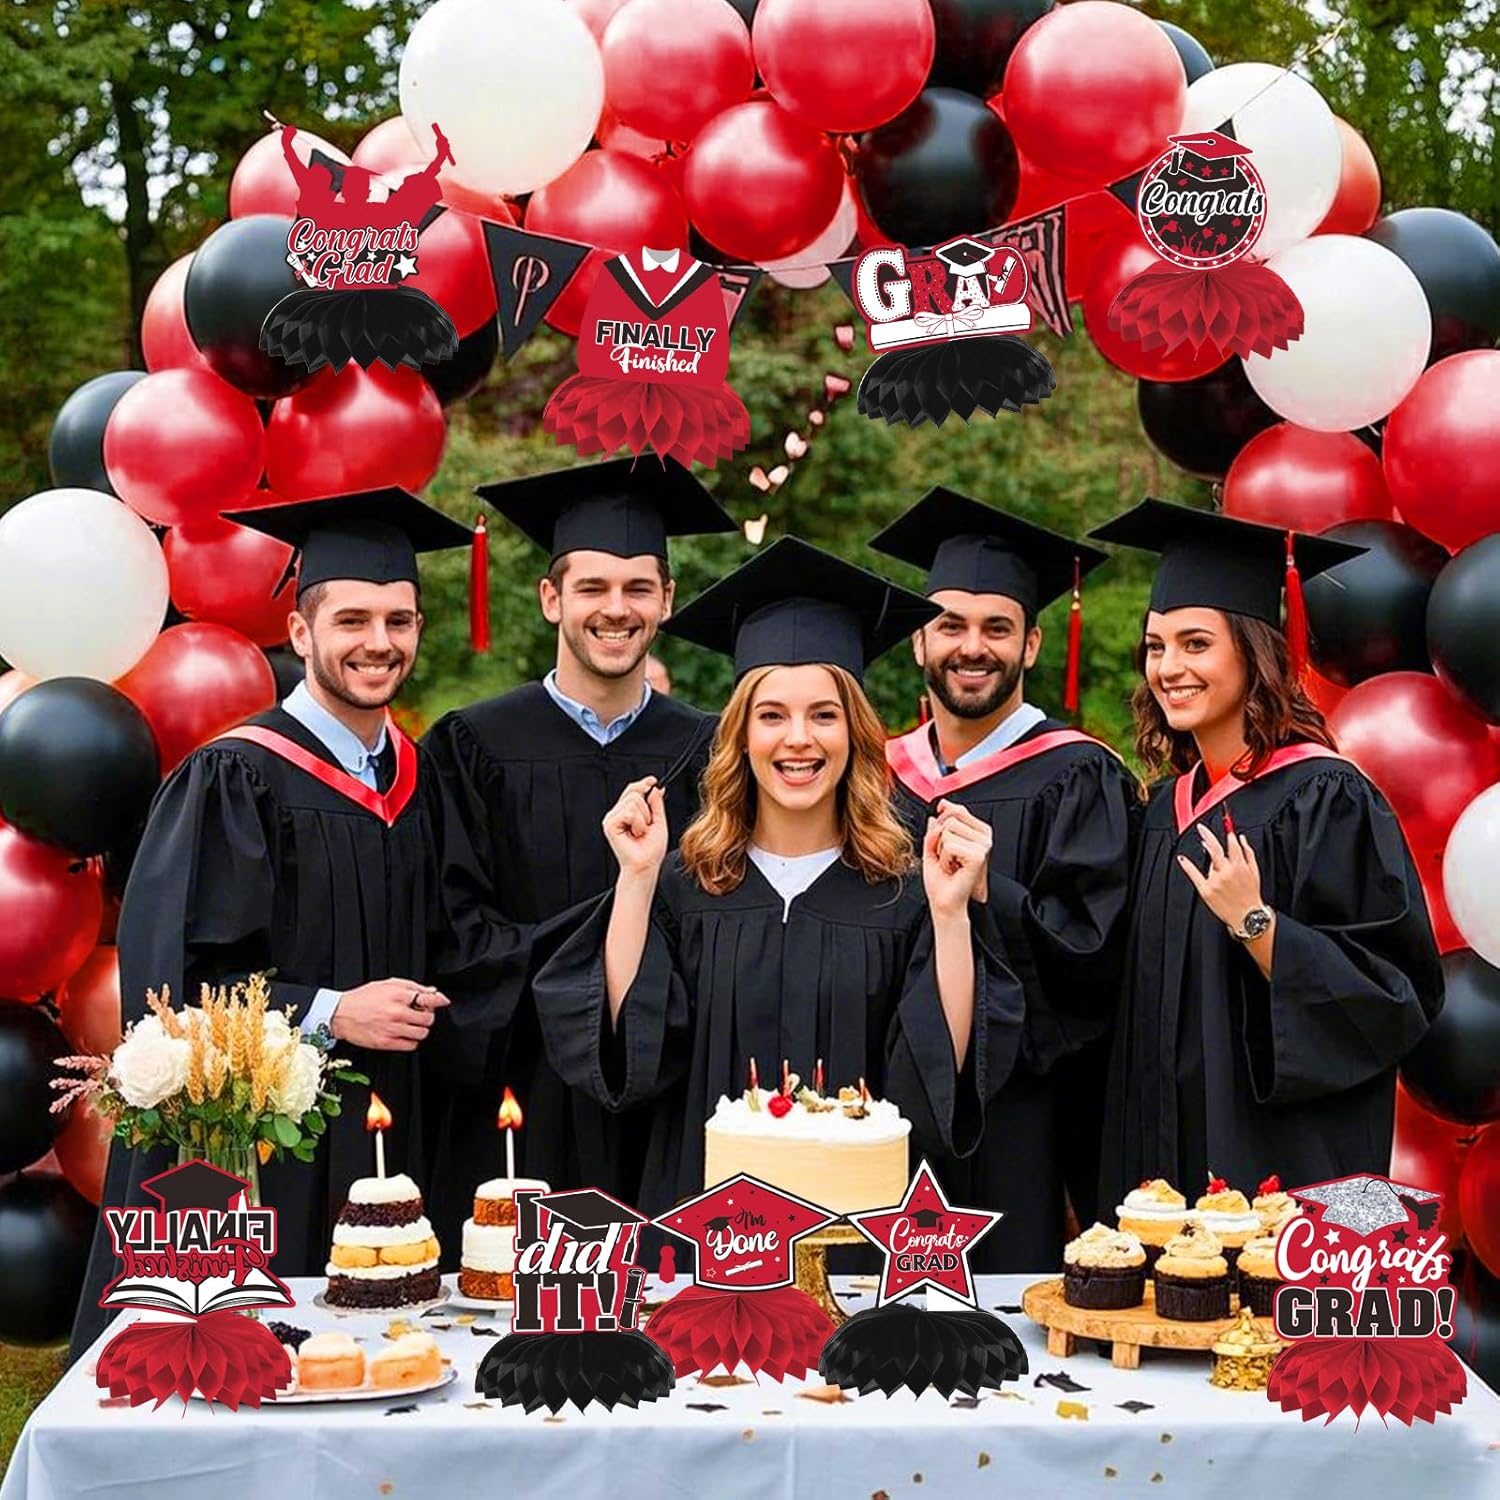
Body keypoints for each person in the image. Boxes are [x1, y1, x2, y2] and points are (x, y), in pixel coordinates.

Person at [70, 489, 529, 1359]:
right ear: (301, 630)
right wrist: (331, 1011)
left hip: (395, 1142)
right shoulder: (236, 777)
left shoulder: (421, 783)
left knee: (392, 1365)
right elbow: (176, 989)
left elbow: (470, 947)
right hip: (268, 1155)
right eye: (351, 619)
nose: (378, 642)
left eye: (398, 620)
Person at [532, 537, 1027, 1219]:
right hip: (704, 1226)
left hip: (860, 1234)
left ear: (855, 733)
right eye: (772, 716)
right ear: (740, 735)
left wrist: (949, 917)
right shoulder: (685, 884)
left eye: (824, 715)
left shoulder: (906, 889)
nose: (798, 738)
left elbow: (948, 1075)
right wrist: (637, 882)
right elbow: (625, 1057)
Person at [1088, 498, 1443, 1208]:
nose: (1169, 668)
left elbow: (1393, 996)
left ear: (1255, 652)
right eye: (1156, 647)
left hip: (1278, 1181)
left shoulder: (1325, 799)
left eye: (1195, 644)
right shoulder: (1159, 812)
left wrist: (1259, 925)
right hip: (1157, 1178)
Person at [421, 458, 736, 1234]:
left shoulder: (713, 751)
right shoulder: (471, 746)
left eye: (638, 588)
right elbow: (451, 930)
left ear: (667, 600)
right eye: (593, 587)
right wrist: (586, 978)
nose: (616, 609)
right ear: (550, 599)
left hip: (668, 1088)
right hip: (518, 1089)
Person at [870, 488, 1137, 1269]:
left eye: (997, 628)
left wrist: (996, 893)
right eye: (950, 625)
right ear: (918, 641)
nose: (972, 647)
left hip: (1024, 1123)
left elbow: (1098, 964)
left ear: (1032, 645)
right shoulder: (876, 777)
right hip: (882, 1110)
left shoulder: (1080, 775)